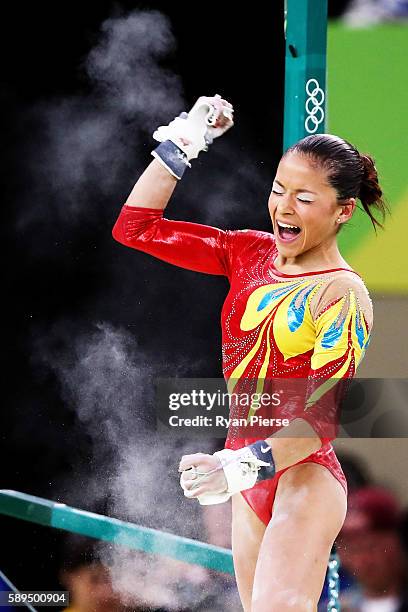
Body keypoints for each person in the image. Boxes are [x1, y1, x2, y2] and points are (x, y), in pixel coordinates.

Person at [112, 95, 386, 611]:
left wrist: (236, 468)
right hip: (245, 469)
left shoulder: (342, 294)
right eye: (279, 189)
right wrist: (188, 138)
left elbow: (319, 420)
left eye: (305, 198)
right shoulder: (248, 252)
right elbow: (135, 227)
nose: (284, 206)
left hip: (300, 473)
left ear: (343, 210)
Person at [336, 487, 408, 611]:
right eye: (352, 550)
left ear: (397, 543)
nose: (362, 561)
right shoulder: (334, 607)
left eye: (371, 547)